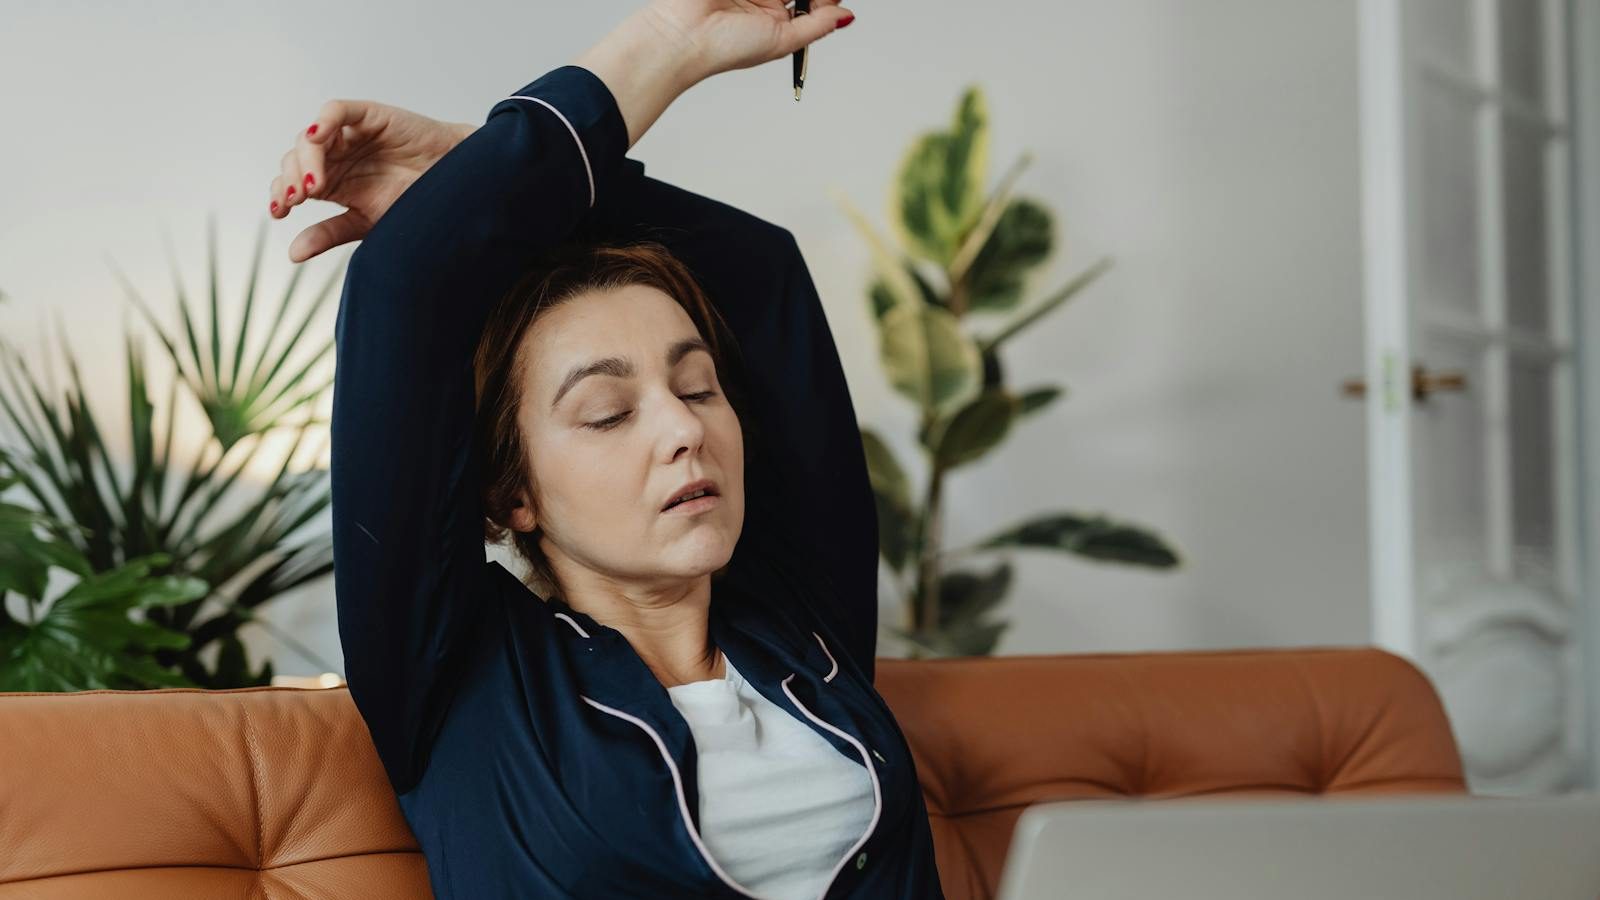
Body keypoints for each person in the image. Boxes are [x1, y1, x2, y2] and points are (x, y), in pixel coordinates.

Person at [268, 2, 945, 898]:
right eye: (607, 412)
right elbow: (406, 286)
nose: (684, 428)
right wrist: (666, 43)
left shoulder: (803, 634)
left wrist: (478, 168)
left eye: (698, 387)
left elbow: (762, 278)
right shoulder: (463, 680)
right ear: (513, 494)